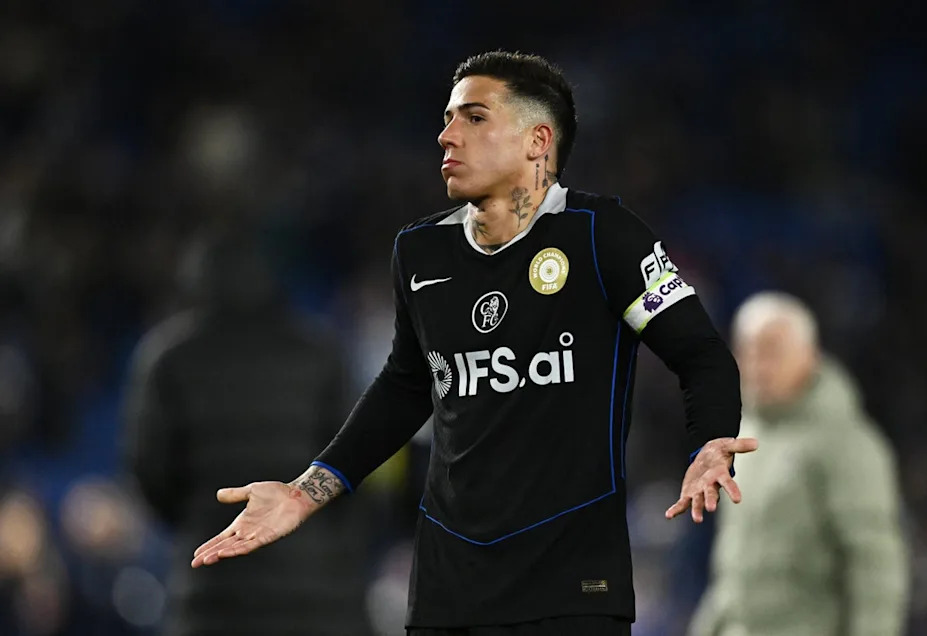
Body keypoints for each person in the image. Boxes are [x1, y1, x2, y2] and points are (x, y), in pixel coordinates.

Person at [191, 52, 758, 635]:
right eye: (446, 117)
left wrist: (710, 442)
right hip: (448, 588)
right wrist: (304, 492)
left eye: (473, 117)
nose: (446, 134)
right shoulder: (420, 253)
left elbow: (700, 352)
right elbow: (408, 387)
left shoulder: (603, 236)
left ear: (538, 141)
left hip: (571, 585)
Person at [124, 231, 373, 636]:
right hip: (319, 594)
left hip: (213, 593)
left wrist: (202, 520)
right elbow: (358, 466)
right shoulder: (322, 352)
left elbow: (151, 474)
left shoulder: (168, 358)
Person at [689, 292, 908, 636]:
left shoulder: (845, 443)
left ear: (809, 355)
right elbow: (735, 569)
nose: (758, 366)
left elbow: (874, 565)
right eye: (749, 352)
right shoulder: (743, 436)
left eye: (772, 351)